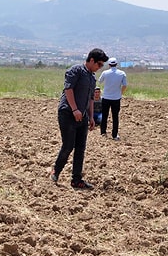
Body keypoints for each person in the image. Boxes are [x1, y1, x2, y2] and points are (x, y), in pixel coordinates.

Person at [50, 48, 109, 189]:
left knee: (80, 148)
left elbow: (90, 99)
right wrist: (75, 109)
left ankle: (76, 180)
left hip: (82, 116)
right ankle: (55, 171)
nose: (100, 68)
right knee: (68, 145)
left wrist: (90, 116)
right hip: (68, 113)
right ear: (91, 60)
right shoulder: (75, 71)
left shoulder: (92, 77)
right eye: (99, 64)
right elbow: (68, 89)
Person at [97, 57, 128, 140]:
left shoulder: (105, 73)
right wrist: (120, 93)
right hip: (116, 98)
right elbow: (125, 85)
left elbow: (99, 81)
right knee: (115, 116)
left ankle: (103, 132)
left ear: (109, 65)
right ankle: (114, 135)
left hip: (106, 97)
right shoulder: (122, 73)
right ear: (116, 64)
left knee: (105, 115)